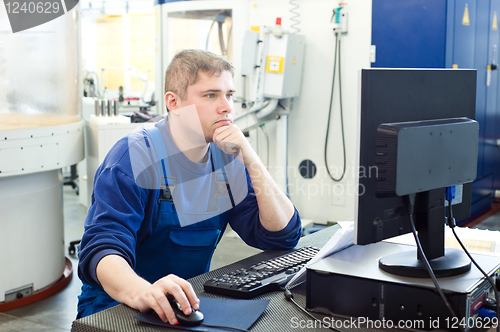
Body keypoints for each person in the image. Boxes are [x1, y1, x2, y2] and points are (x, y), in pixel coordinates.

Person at [76, 49, 302, 324]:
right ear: (173, 102)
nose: (227, 106)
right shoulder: (134, 157)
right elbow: (102, 248)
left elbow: (280, 236)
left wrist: (251, 159)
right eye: (211, 95)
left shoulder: (226, 159)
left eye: (229, 95)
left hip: (185, 304)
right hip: (117, 306)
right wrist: (144, 292)